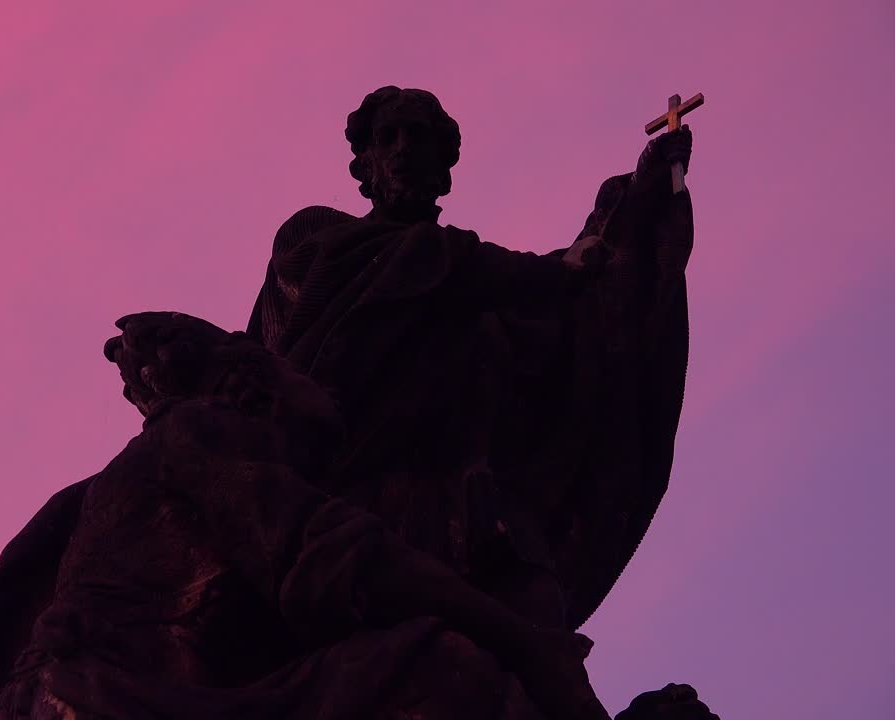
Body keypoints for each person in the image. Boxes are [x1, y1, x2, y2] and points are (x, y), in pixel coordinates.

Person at [0, 313, 607, 719]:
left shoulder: (124, 477)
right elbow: (338, 557)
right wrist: (524, 642)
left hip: (80, 696)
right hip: (109, 700)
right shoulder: (197, 434)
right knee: (442, 668)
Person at [246, 86, 694, 631]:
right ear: (363, 166)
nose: (404, 149)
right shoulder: (320, 236)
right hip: (346, 493)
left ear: (444, 170)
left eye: (420, 138)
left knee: (534, 620)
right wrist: (545, 272)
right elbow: (427, 268)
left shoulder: (479, 300)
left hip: (464, 506)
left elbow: (574, 306)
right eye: (388, 138)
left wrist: (636, 205)